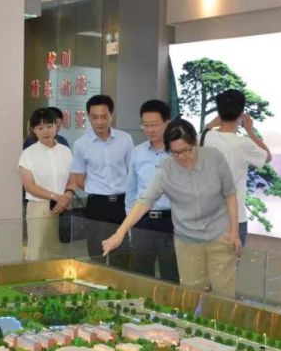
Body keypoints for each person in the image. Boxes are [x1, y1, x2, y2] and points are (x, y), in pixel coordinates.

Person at [102, 119, 241, 297]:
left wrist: (234, 232)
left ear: (194, 142)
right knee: (192, 295)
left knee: (224, 295)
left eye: (186, 150)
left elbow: (230, 194)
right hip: (188, 240)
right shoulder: (166, 169)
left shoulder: (214, 158)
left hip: (220, 235)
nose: (181, 157)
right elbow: (144, 202)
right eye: (174, 152)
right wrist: (119, 233)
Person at [69, 95, 134, 268]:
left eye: (104, 117)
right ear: (88, 117)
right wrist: (97, 189)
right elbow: (79, 179)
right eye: (95, 117)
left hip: (122, 204)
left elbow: (132, 171)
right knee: (96, 255)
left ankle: (119, 284)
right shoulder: (81, 144)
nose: (99, 122)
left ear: (111, 115)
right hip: (97, 205)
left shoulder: (125, 139)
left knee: (122, 254)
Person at [201, 89, 271, 246]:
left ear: (219, 112)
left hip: (207, 218)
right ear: (241, 113)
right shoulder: (244, 144)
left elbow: (203, 134)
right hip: (235, 219)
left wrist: (210, 125)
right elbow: (268, 157)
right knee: (231, 261)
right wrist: (249, 130)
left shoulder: (205, 137)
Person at [126, 99, 179, 282]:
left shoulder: (177, 153)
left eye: (154, 124)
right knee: (142, 275)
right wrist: (131, 225)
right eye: (145, 125)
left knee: (172, 274)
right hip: (143, 221)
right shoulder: (137, 152)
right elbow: (131, 192)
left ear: (167, 123)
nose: (149, 129)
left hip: (171, 221)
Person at [18, 107, 74, 260]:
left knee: (58, 251)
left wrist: (67, 197)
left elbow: (72, 180)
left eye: (49, 126)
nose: (46, 131)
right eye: (40, 128)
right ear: (33, 130)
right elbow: (29, 186)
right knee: (38, 250)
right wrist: (56, 197)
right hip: (39, 207)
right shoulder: (28, 154)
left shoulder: (65, 151)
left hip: (64, 206)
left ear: (56, 126)